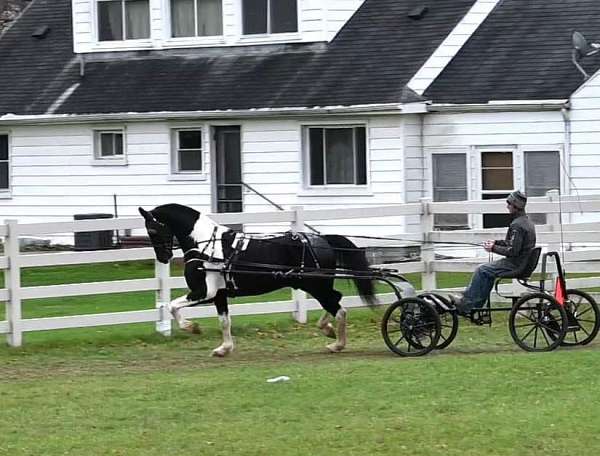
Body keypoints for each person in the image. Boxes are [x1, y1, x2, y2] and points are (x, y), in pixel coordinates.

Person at [450, 190, 536, 317]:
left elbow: (513, 251)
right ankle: (475, 306)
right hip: (522, 262)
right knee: (487, 273)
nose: (507, 206)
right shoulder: (526, 222)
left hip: (515, 264)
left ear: (515, 206)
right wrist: (496, 243)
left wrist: (493, 248)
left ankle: (467, 304)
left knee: (482, 270)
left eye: (509, 204)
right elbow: (512, 244)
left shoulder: (517, 225)